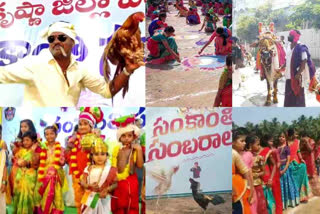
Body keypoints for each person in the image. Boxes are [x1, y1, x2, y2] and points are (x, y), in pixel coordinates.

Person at [0, 21, 141, 106]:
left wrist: (127, 70)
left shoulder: (80, 69)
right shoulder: (34, 63)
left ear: (73, 42)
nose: (56, 41)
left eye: (61, 37)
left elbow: (107, 91)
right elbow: (3, 74)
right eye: (51, 39)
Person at [65, 107, 104, 213]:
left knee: (91, 201)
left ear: (91, 125)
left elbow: (100, 156)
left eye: (85, 124)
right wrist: (69, 146)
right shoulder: (74, 140)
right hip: (77, 174)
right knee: (78, 199)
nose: (82, 127)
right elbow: (68, 158)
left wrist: (96, 139)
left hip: (91, 174)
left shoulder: (96, 138)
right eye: (80, 124)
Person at [111, 115, 144, 214]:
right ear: (119, 137)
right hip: (118, 181)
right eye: (124, 136)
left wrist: (138, 150)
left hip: (131, 181)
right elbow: (114, 166)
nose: (126, 139)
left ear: (134, 137)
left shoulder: (135, 149)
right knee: (119, 205)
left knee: (131, 205)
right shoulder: (116, 149)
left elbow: (139, 166)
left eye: (129, 136)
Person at [276, 30, 316, 107]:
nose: (289, 37)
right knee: (288, 94)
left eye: (290, 35)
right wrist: (281, 67)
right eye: (289, 35)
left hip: (297, 76)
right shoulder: (288, 46)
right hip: (288, 75)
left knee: (298, 94)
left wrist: (298, 73)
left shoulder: (301, 47)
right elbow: (287, 60)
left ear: (295, 37)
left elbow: (304, 61)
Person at [34, 124, 67, 213]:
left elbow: (63, 162)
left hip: (56, 175)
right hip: (43, 174)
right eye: (47, 134)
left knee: (56, 195)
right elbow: (36, 162)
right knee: (43, 194)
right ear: (44, 136)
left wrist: (60, 160)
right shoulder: (42, 148)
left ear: (56, 135)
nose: (49, 136)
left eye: (51, 134)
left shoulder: (61, 148)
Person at [80, 136, 117, 214]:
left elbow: (116, 183)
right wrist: (88, 186)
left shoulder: (111, 169)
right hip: (90, 197)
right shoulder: (88, 168)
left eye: (103, 154)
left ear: (107, 156)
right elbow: (82, 181)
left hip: (104, 198)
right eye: (96, 154)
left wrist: (107, 190)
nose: (99, 157)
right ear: (92, 156)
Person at [12, 131, 40, 214]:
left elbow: (36, 164)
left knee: (28, 197)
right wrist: (18, 162)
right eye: (24, 140)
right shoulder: (21, 150)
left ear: (33, 141)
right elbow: (15, 160)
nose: (25, 142)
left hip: (30, 177)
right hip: (20, 176)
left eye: (27, 140)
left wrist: (27, 162)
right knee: (18, 195)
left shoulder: (36, 151)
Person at [232, 130, 254, 214]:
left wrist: (250, 190)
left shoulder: (234, 154)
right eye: (242, 141)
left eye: (245, 141)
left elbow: (246, 172)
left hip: (238, 190)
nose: (245, 143)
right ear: (233, 142)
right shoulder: (233, 153)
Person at [286, 129, 311, 202]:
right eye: (295, 134)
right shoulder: (286, 143)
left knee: (303, 168)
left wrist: (301, 158)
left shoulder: (297, 142)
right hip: (289, 163)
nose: (296, 135)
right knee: (292, 180)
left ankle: (302, 196)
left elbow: (298, 151)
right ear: (291, 134)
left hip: (297, 161)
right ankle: (293, 197)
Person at [261, 135, 282, 214]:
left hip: (273, 173)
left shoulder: (272, 150)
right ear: (265, 141)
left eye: (272, 141)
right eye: (270, 141)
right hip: (265, 173)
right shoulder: (262, 151)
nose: (272, 142)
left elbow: (277, 162)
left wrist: (278, 167)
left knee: (276, 194)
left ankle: (277, 211)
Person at [277, 132, 299, 209]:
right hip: (278, 169)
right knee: (281, 186)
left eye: (283, 137)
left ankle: (291, 202)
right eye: (280, 136)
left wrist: (284, 170)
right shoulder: (277, 148)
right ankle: (283, 204)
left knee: (288, 184)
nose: (281, 138)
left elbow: (288, 160)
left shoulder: (286, 148)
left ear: (285, 138)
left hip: (285, 169)